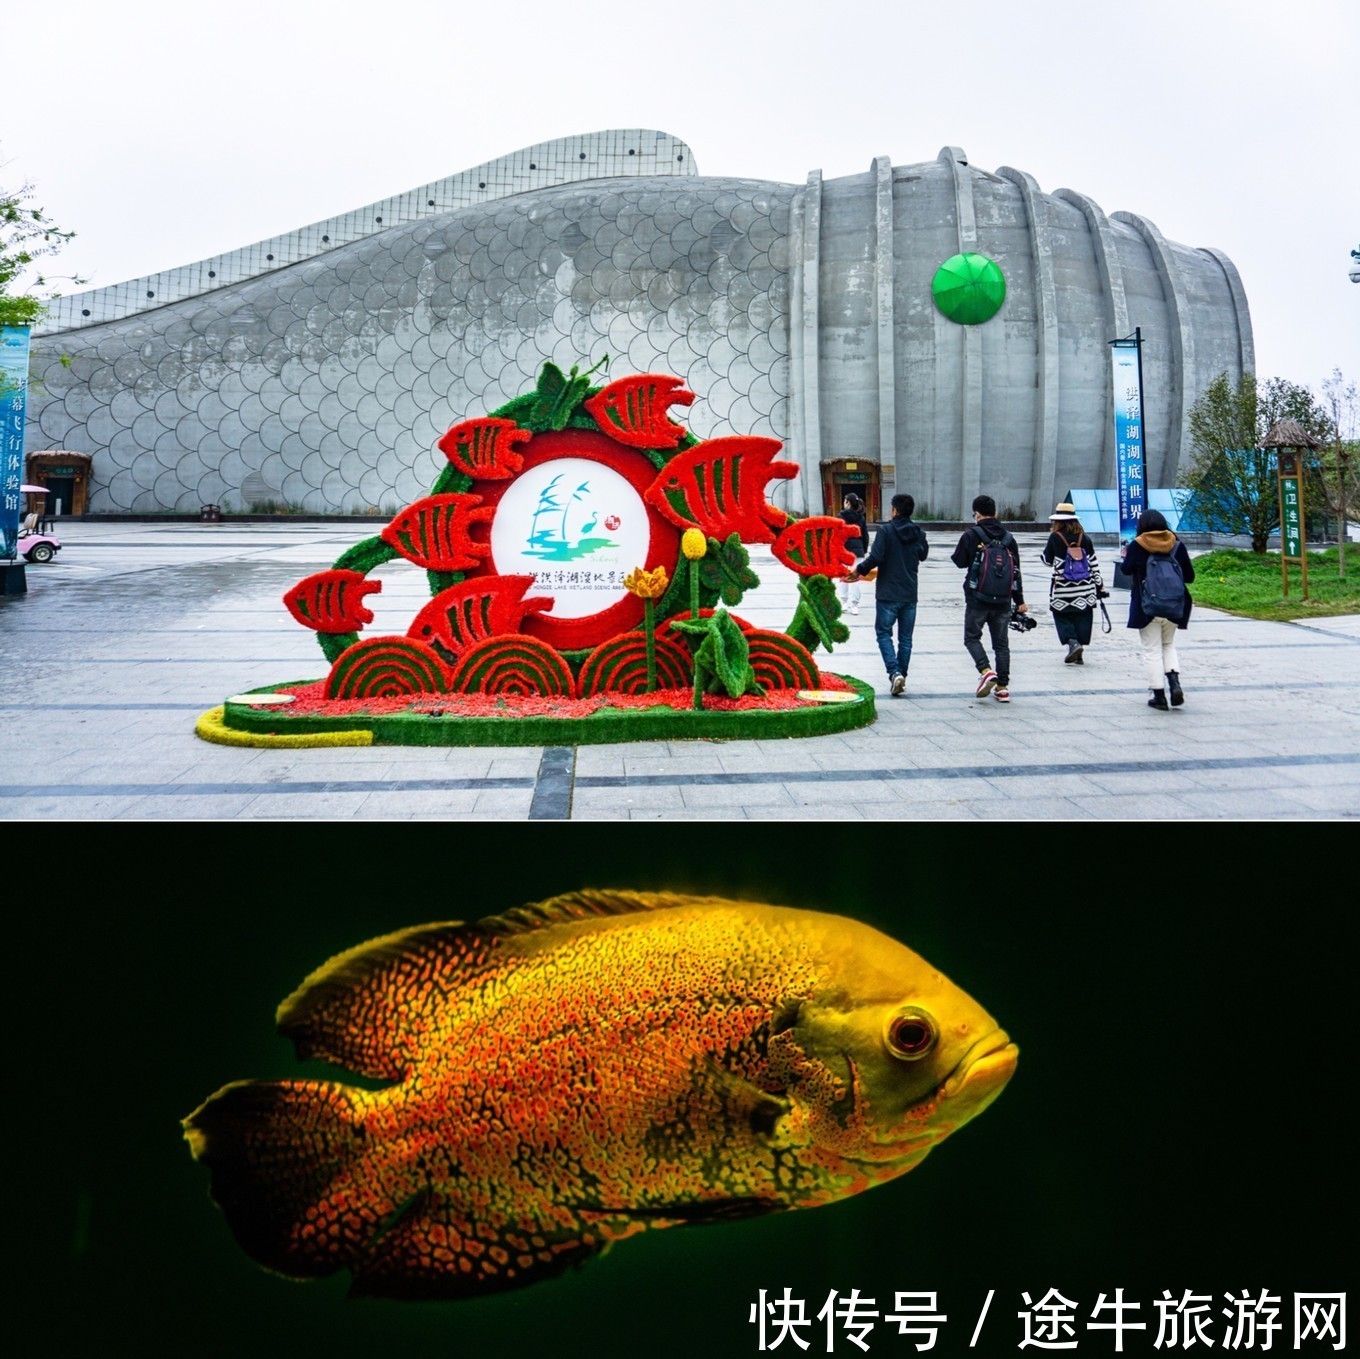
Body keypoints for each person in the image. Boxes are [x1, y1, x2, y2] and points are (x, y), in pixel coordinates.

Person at [847, 492, 929, 696]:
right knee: (906, 639)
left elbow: (876, 557)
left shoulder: (886, 531)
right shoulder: (919, 532)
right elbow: (923, 555)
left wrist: (859, 571)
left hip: (888, 593)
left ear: (894, 510)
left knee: (883, 633)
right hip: (909, 593)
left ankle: (894, 673)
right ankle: (901, 675)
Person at [950, 494, 1027, 703]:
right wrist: (1019, 601)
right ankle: (1002, 688)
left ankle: (986, 671)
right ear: (996, 512)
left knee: (972, 637)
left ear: (976, 513)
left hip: (977, 598)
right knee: (1001, 644)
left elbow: (958, 561)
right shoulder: (1009, 538)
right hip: (1003, 600)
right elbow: (1016, 572)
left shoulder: (971, 534)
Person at [1121, 508, 1195, 710]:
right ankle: (1174, 683)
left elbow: (1125, 569)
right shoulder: (1176, 543)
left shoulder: (1137, 545)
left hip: (1147, 606)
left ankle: (1159, 695)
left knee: (1151, 650)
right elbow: (1189, 576)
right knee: (1168, 644)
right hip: (1174, 605)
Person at [1040, 503, 1106, 664]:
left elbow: (1048, 561)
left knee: (1061, 614)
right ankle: (1079, 652)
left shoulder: (1056, 537)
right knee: (1083, 616)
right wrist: (1099, 585)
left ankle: (1073, 643)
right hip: (1086, 588)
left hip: (1064, 587)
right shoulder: (1085, 538)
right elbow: (1094, 564)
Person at [836, 493, 868, 615]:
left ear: (848, 503)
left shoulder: (841, 516)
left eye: (845, 501)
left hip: (843, 550)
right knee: (855, 578)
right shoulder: (861, 518)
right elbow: (865, 536)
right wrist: (863, 550)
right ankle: (854, 605)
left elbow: (836, 535)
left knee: (843, 577)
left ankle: (844, 603)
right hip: (857, 551)